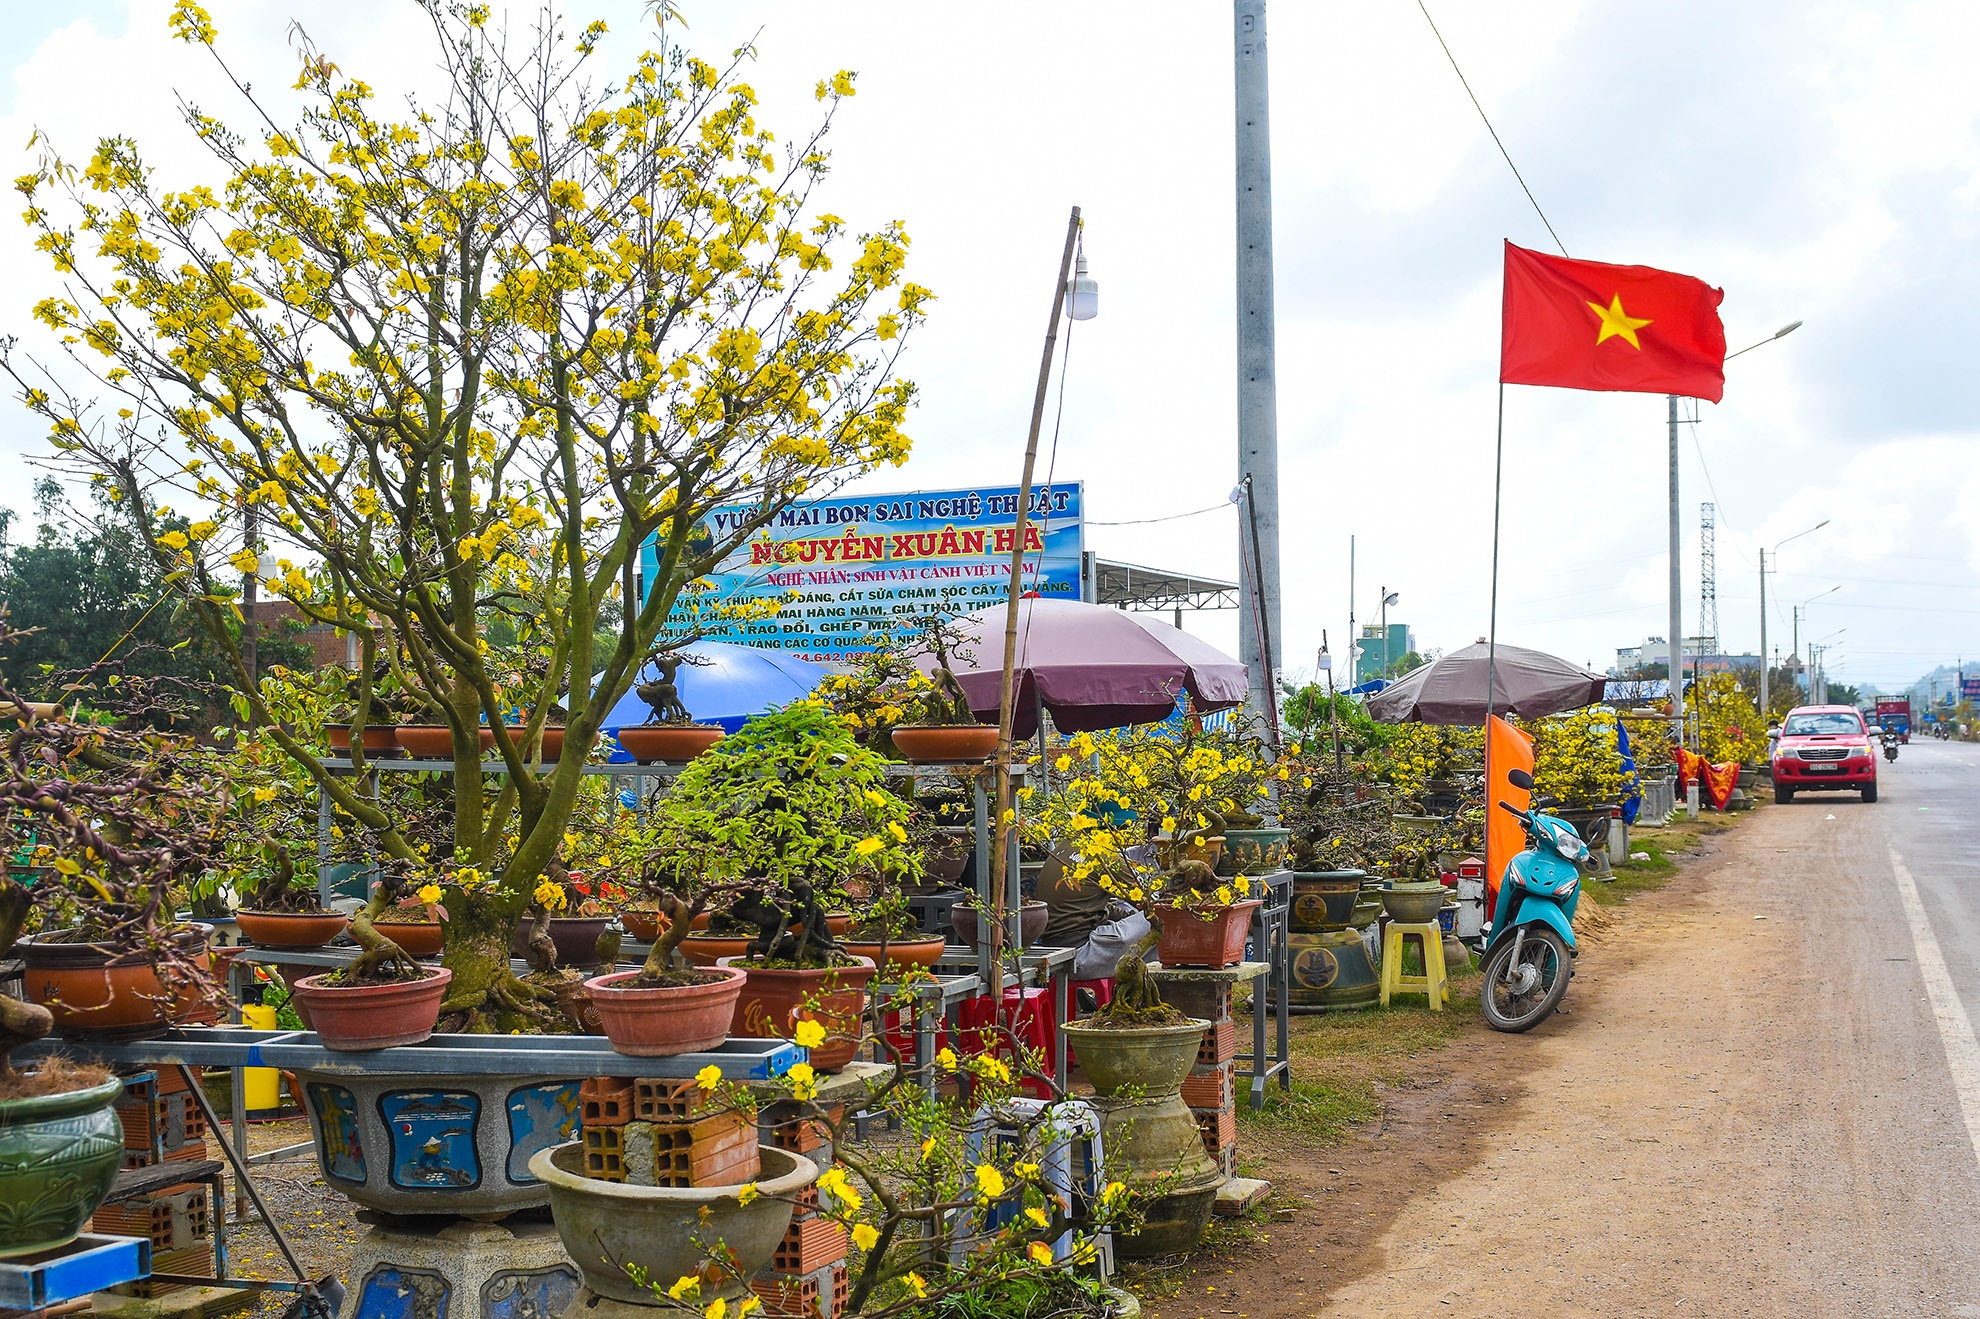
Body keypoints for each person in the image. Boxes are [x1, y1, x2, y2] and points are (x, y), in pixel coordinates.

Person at [1032, 847, 1151, 987]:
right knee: (1164, 918)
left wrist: (1131, 918)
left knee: (1150, 925)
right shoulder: (1102, 855)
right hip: (1081, 955)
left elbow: (1094, 906)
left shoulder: (1063, 847)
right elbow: (1148, 901)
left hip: (1055, 949)